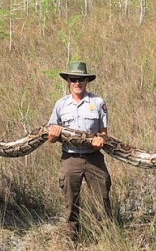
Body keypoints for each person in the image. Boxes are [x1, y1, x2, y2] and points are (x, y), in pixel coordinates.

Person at [48, 61, 112, 241]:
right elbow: (50, 138)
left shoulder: (98, 103)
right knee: (71, 201)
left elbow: (105, 134)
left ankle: (107, 237)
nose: (77, 83)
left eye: (81, 79)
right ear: (68, 81)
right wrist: (53, 134)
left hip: (94, 158)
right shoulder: (61, 104)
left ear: (87, 81)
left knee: (103, 198)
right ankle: (72, 239)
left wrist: (101, 139)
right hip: (70, 158)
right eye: (74, 79)